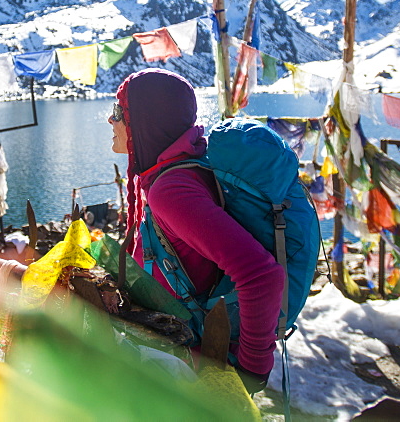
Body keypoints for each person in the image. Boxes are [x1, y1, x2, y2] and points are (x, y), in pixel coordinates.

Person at [108, 68, 285, 394]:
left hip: (193, 374)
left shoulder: (170, 190)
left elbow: (261, 275)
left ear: (146, 121)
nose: (110, 120)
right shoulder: (176, 171)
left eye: (120, 112)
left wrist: (251, 372)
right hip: (185, 358)